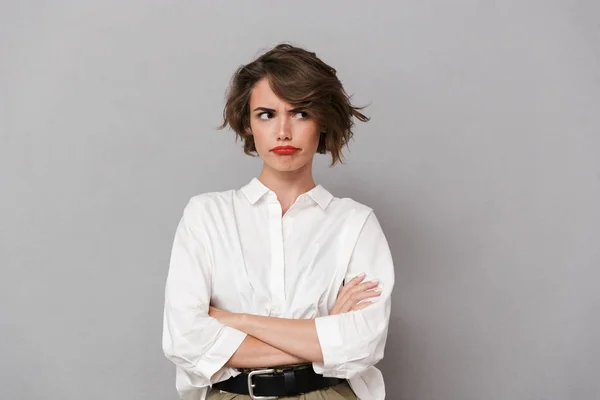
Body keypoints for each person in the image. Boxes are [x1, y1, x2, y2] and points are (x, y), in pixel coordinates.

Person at [162, 43, 395, 400]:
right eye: (267, 114)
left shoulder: (355, 223)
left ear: (323, 122)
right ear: (248, 123)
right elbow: (185, 340)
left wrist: (237, 320)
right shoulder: (206, 216)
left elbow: (362, 345)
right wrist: (323, 336)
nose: (283, 131)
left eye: (301, 113)